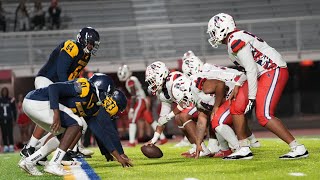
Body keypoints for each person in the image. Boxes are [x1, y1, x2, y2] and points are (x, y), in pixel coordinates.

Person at [206, 13, 308, 159]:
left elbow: (251, 69)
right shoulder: (234, 39)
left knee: (263, 115)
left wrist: (252, 97)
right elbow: (248, 69)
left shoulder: (236, 40)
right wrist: (237, 83)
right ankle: (243, 148)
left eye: (214, 31)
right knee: (236, 105)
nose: (213, 35)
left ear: (223, 28)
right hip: (261, 74)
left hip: (272, 70)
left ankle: (298, 148)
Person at [18, 74, 132, 176]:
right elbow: (53, 88)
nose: (109, 98)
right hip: (36, 101)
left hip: (39, 105)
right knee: (76, 123)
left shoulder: (93, 107)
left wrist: (118, 157)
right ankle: (54, 163)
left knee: (76, 128)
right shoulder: (85, 87)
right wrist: (56, 113)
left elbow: (101, 133)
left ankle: (30, 161)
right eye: (109, 94)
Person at [20, 27, 100, 160]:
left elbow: (73, 74)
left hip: (58, 84)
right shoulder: (72, 46)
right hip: (48, 80)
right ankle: (32, 147)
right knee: (54, 114)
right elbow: (61, 71)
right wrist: (69, 90)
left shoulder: (86, 55)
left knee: (66, 118)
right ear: (82, 40)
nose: (91, 47)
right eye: (89, 43)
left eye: (93, 44)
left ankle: (43, 147)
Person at [145, 61, 213, 157]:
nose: (152, 84)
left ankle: (203, 149)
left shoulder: (175, 80)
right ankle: (195, 147)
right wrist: (154, 139)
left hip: (204, 100)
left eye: (153, 80)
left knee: (183, 115)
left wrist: (169, 117)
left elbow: (185, 102)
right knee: (178, 118)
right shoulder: (162, 92)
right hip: (195, 104)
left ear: (160, 75)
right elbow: (162, 119)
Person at [117, 65, 167, 147]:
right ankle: (163, 138)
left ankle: (132, 142)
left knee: (132, 120)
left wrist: (132, 108)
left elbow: (133, 96)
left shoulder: (130, 81)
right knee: (150, 120)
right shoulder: (132, 79)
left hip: (140, 101)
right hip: (142, 100)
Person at [0, 87, 17, 153]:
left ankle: (11, 146)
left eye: (5, 91)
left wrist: (14, 119)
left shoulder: (11, 99)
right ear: (1, 92)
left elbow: (14, 110)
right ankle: (5, 146)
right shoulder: (0, 100)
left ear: (7, 92)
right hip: (2, 119)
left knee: (10, 133)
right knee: (4, 133)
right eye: (3, 91)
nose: (4, 92)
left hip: (9, 119)